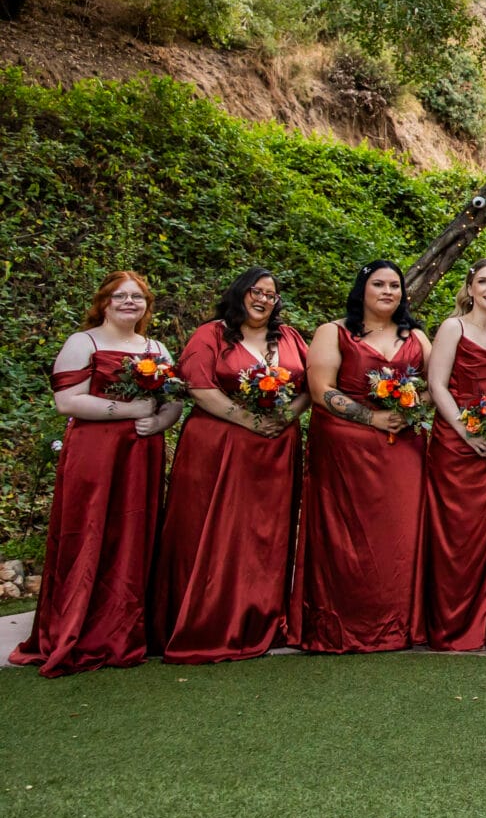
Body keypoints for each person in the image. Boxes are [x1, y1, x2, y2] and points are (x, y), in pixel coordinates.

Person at [11, 272, 182, 677]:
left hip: (142, 452)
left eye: (136, 297)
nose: (128, 302)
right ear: (103, 302)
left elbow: (174, 397)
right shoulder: (82, 342)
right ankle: (77, 628)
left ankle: (125, 629)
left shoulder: (156, 347)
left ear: (147, 304)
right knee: (88, 529)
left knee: (135, 533)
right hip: (95, 452)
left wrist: (159, 423)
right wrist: (131, 412)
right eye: (119, 296)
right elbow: (67, 401)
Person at [153, 268, 308, 664]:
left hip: (275, 452)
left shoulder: (290, 337)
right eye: (255, 291)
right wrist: (250, 421)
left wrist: (287, 416)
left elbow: (310, 386)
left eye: (271, 295)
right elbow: (199, 387)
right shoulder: (210, 335)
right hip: (219, 447)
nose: (263, 299)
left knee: (264, 535)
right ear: (239, 294)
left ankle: (259, 619)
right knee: (213, 531)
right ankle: (205, 619)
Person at [293, 261, 432, 653]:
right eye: (379, 284)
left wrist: (410, 408)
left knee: (399, 533)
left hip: (402, 447)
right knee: (347, 537)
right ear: (362, 289)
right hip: (345, 449)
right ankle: (342, 622)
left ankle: (398, 624)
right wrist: (372, 417)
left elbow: (436, 386)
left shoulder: (417, 337)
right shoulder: (332, 332)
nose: (388, 291)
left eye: (395, 285)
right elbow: (321, 390)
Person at [424, 259, 486, 651]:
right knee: (454, 534)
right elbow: (437, 384)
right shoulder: (453, 327)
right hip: (454, 441)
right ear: (471, 287)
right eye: (484, 281)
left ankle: (484, 623)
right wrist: (465, 432)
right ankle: (446, 624)